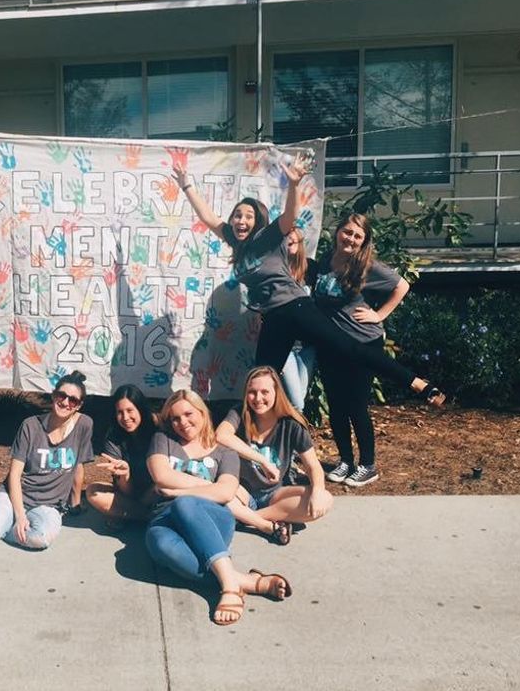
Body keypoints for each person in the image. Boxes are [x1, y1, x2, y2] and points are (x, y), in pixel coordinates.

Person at [173, 158, 445, 406]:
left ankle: (417, 383)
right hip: (274, 317)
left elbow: (290, 216)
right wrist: (187, 185)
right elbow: (208, 217)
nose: (240, 220)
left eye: (248, 216)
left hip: (297, 307)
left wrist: (294, 184)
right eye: (237, 215)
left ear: (258, 222)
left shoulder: (268, 238)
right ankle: (263, 435)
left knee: (347, 347)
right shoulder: (237, 244)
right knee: (262, 376)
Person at [146, 389, 293, 627]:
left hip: (212, 520)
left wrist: (179, 491)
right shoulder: (162, 440)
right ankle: (248, 582)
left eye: (188, 414)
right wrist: (208, 486)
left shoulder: (224, 451)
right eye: (175, 418)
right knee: (159, 544)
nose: (182, 423)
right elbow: (161, 476)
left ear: (202, 413)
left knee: (185, 504)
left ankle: (229, 590)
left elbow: (225, 493)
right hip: (165, 519)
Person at [0, 371, 93, 553]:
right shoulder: (31, 426)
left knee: (40, 539)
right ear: (54, 396)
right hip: (14, 496)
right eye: (62, 396)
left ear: (79, 405)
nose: (66, 402)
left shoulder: (84, 425)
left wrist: (75, 503)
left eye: (73, 400)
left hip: (48, 505)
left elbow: (78, 466)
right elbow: (14, 475)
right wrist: (20, 516)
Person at [315, 214, 410, 487]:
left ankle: (367, 465)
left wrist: (379, 315)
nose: (351, 239)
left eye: (358, 236)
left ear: (364, 241)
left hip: (362, 344)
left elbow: (402, 285)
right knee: (336, 406)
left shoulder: (367, 267)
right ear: (338, 232)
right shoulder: (325, 261)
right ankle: (345, 460)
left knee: (356, 406)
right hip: (331, 345)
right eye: (347, 232)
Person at [216, 366, 333, 543]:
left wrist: (317, 491)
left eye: (265, 392)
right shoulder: (239, 414)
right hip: (242, 492)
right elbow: (221, 436)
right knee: (221, 493)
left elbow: (313, 466)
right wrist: (262, 461)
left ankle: (247, 518)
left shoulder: (291, 424)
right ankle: (266, 524)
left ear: (277, 393)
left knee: (325, 498)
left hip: (275, 495)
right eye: (252, 392)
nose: (258, 398)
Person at [85, 384, 159, 526]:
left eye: (130, 410)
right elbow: (125, 491)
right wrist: (125, 474)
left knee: (161, 485)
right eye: (120, 412)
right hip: (129, 493)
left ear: (140, 409)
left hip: (155, 491)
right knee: (93, 491)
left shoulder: (157, 430)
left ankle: (127, 515)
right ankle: (147, 517)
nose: (125, 417)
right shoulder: (113, 438)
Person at [279, 228, 316, 412]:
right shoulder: (276, 269)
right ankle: (297, 431)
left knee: (299, 398)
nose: (288, 243)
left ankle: (290, 429)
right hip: (284, 345)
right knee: (297, 403)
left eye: (292, 240)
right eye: (284, 241)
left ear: (300, 242)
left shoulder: (311, 269)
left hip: (307, 345)